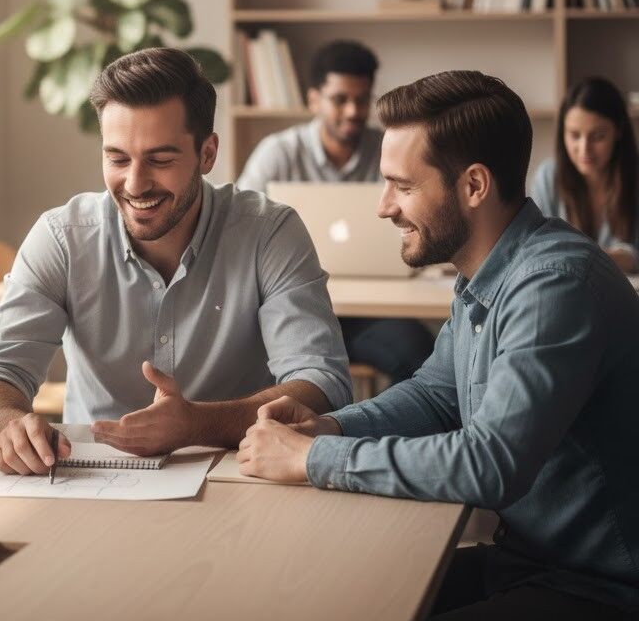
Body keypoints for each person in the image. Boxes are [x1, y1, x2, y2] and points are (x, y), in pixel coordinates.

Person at [237, 70, 639, 618]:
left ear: (474, 186)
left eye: (403, 187)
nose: (384, 207)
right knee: (337, 597)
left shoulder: (555, 287)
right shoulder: (487, 273)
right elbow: (434, 395)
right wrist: (329, 427)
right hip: (528, 560)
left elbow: (491, 464)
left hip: (601, 585)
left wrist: (312, 458)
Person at [0, 47, 351, 475]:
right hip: (88, 476)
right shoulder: (62, 237)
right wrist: (10, 425)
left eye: (160, 160)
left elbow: (322, 383)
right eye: (117, 158)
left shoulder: (269, 232)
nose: (135, 184)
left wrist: (199, 423)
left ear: (207, 154)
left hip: (237, 473)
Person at [236, 39, 433, 383]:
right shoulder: (277, 153)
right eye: (340, 99)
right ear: (314, 100)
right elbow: (238, 227)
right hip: (292, 308)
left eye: (362, 99)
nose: (353, 111)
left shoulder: (390, 149)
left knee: (419, 353)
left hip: (371, 312)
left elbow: (420, 218)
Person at [530, 76, 638, 273]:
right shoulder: (548, 178)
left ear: (619, 131)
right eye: (574, 135)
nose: (584, 149)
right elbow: (535, 248)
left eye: (598, 137)